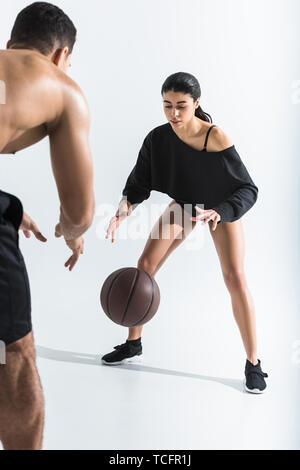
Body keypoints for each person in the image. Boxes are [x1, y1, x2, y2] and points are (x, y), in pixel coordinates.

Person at [104, 71, 268, 394]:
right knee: (145, 267)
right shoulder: (157, 139)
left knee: (235, 277)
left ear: (196, 104)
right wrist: (121, 212)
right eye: (167, 106)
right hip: (186, 205)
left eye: (181, 105)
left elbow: (248, 188)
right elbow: (139, 183)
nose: (174, 114)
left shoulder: (215, 137)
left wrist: (220, 211)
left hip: (220, 208)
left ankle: (254, 363)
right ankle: (133, 344)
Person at [0, 2, 95, 450]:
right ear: (60, 55)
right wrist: (72, 232)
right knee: (14, 356)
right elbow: (80, 212)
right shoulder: (62, 86)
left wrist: (9, 209)